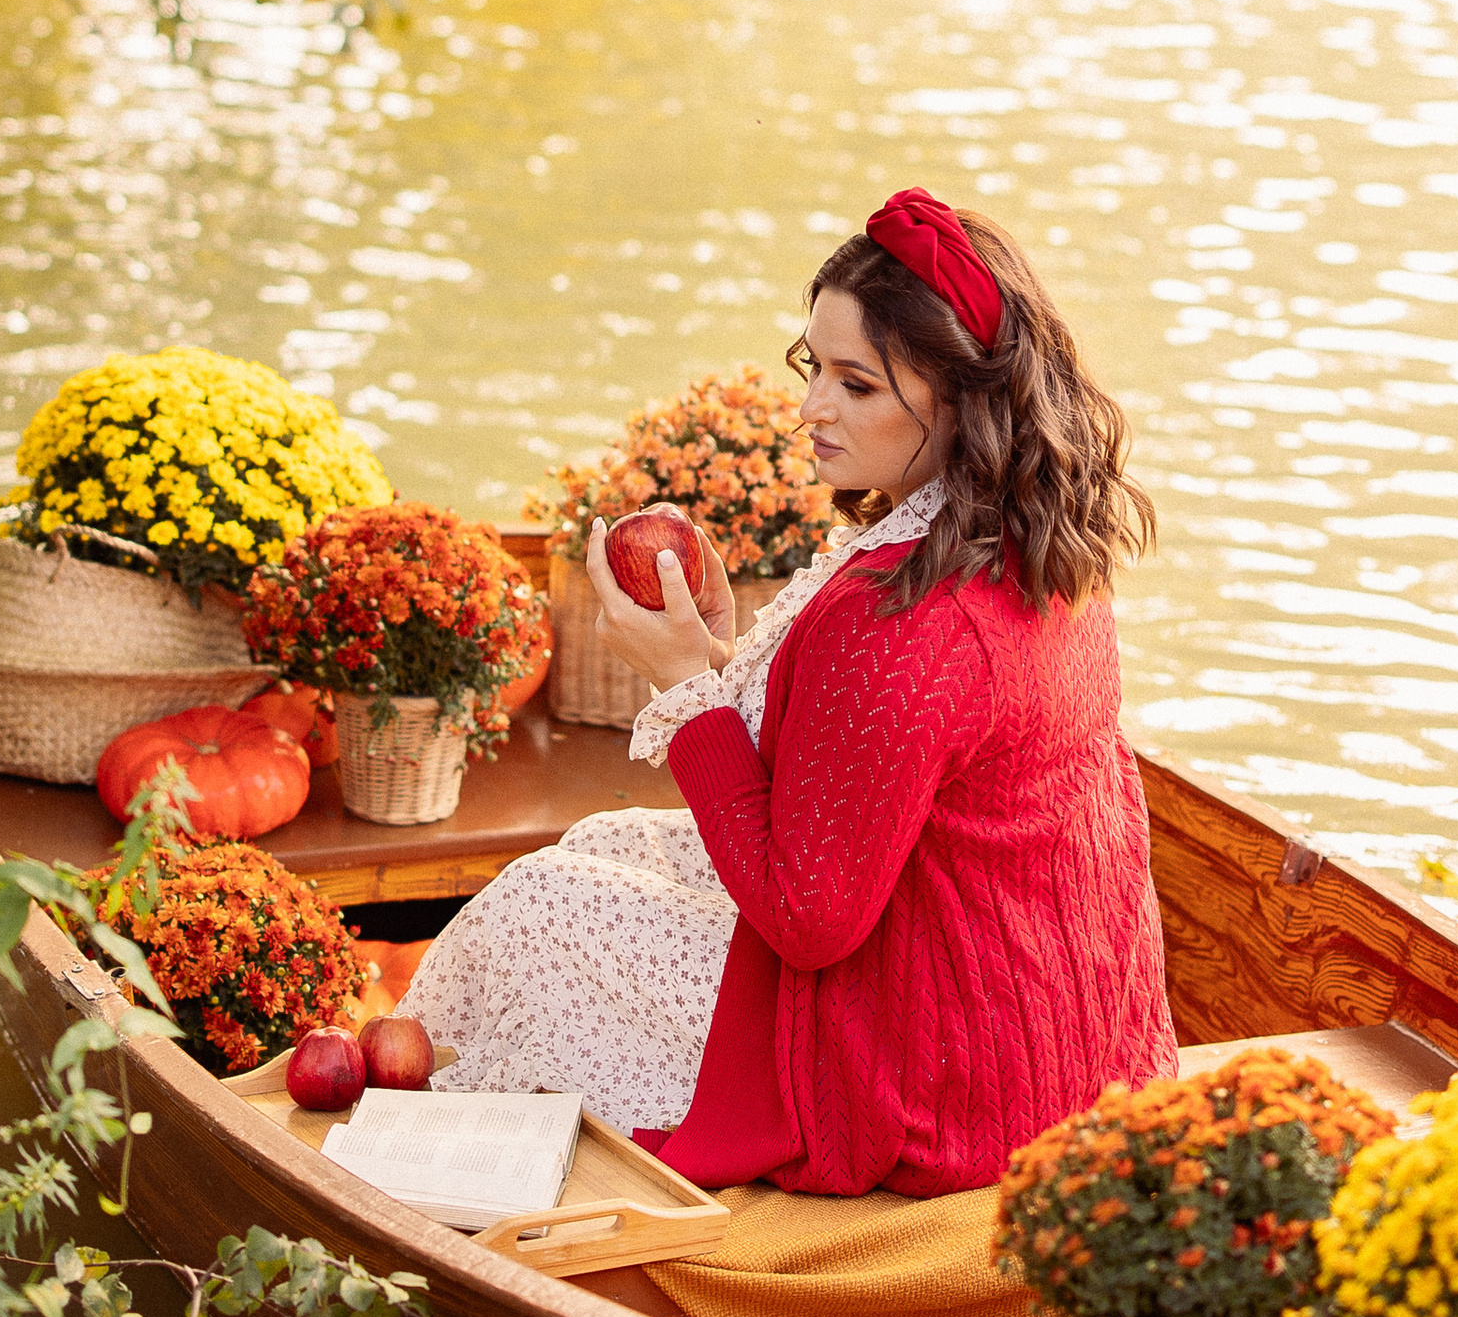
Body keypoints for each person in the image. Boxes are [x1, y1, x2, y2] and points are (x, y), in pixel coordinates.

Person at [398, 188, 1175, 1197]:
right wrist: (729, 667)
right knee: (602, 846)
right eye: (816, 367)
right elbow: (876, 772)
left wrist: (685, 682)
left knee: (540, 910)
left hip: (936, 1083)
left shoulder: (900, 619)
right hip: (1063, 1035)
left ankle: (448, 1180)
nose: (811, 410)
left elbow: (809, 920)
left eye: (857, 385)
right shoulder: (1040, 548)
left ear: (961, 398)